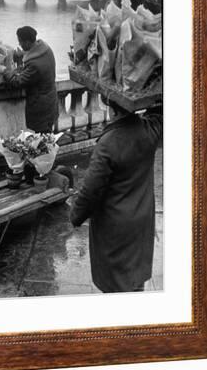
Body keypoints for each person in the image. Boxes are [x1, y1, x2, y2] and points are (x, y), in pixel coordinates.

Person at [69, 98, 162, 293]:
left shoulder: (108, 143)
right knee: (135, 279)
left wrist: (76, 215)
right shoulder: (150, 130)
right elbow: (160, 110)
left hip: (115, 227)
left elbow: (90, 191)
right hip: (141, 220)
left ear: (111, 110)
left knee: (116, 286)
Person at [2, 26, 58, 133]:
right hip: (51, 100)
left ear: (27, 42)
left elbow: (17, 82)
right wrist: (23, 55)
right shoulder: (45, 49)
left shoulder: (34, 64)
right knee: (46, 135)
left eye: (20, 42)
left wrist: (4, 71)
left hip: (41, 107)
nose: (20, 45)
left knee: (41, 139)